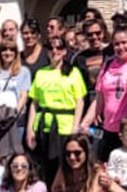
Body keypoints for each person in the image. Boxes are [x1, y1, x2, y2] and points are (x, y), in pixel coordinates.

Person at [25, 51, 88, 183]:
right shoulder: (41, 73)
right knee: (43, 166)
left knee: (62, 164)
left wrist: (76, 126)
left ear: (65, 51)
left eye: (59, 47)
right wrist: (30, 129)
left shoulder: (73, 72)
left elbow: (79, 101)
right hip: (43, 125)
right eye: (51, 48)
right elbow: (34, 103)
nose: (55, 51)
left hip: (65, 127)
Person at [92, 29, 127, 161]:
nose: (120, 47)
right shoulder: (108, 63)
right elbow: (100, 91)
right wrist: (97, 112)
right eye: (116, 44)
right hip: (108, 127)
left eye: (124, 42)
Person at [0, 38, 33, 158]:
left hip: (15, 120)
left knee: (14, 154)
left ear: (16, 53)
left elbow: (23, 95)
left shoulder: (24, 72)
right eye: (4, 50)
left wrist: (15, 112)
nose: (8, 53)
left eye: (11, 50)